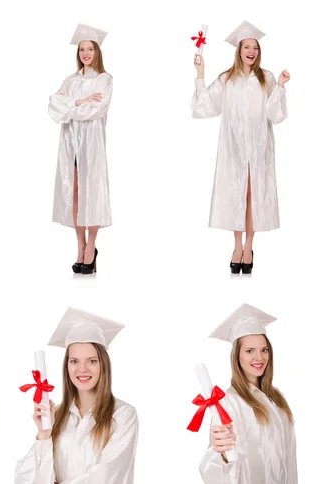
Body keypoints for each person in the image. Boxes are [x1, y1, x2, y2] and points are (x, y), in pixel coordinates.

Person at [191, 21, 290, 274]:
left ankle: (249, 247)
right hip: (233, 147)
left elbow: (274, 114)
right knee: (237, 194)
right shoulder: (227, 79)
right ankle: (237, 246)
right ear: (239, 50)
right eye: (246, 46)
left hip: (259, 147)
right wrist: (200, 74)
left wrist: (280, 85)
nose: (251, 51)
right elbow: (205, 107)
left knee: (252, 195)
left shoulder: (265, 77)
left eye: (255, 47)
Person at [15, 307, 138, 483]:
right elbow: (32, 478)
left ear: (103, 365)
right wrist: (44, 435)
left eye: (92, 361)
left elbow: (107, 475)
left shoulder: (123, 415)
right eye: (74, 361)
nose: (82, 369)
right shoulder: (57, 415)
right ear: (67, 366)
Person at [200, 303, 297, 483]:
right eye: (249, 351)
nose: (259, 358)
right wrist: (221, 452)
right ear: (237, 356)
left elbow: (290, 461)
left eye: (264, 350)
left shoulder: (278, 400)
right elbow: (218, 471)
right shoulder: (229, 403)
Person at [48, 24, 114, 274]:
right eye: (82, 49)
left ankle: (92, 247)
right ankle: (80, 245)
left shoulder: (104, 80)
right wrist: (78, 101)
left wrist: (71, 108)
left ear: (97, 52)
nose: (86, 53)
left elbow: (96, 110)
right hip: (70, 144)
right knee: (74, 192)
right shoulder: (70, 80)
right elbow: (53, 104)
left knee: (91, 192)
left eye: (90, 49)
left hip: (91, 144)